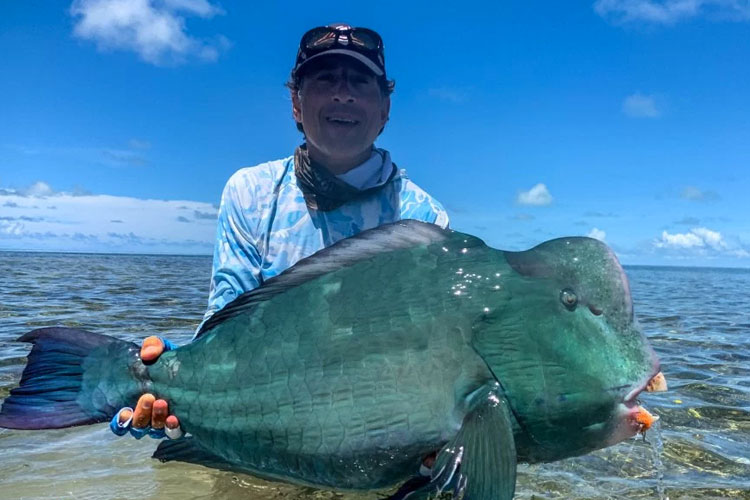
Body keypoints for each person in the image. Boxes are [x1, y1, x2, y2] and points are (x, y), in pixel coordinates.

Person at [109, 24, 449, 442]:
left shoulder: (425, 220)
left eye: (359, 81)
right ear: (296, 103)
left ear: (384, 109)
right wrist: (173, 376)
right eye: (325, 79)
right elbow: (226, 323)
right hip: (265, 426)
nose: (343, 93)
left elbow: (426, 352)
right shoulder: (250, 193)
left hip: (374, 432)